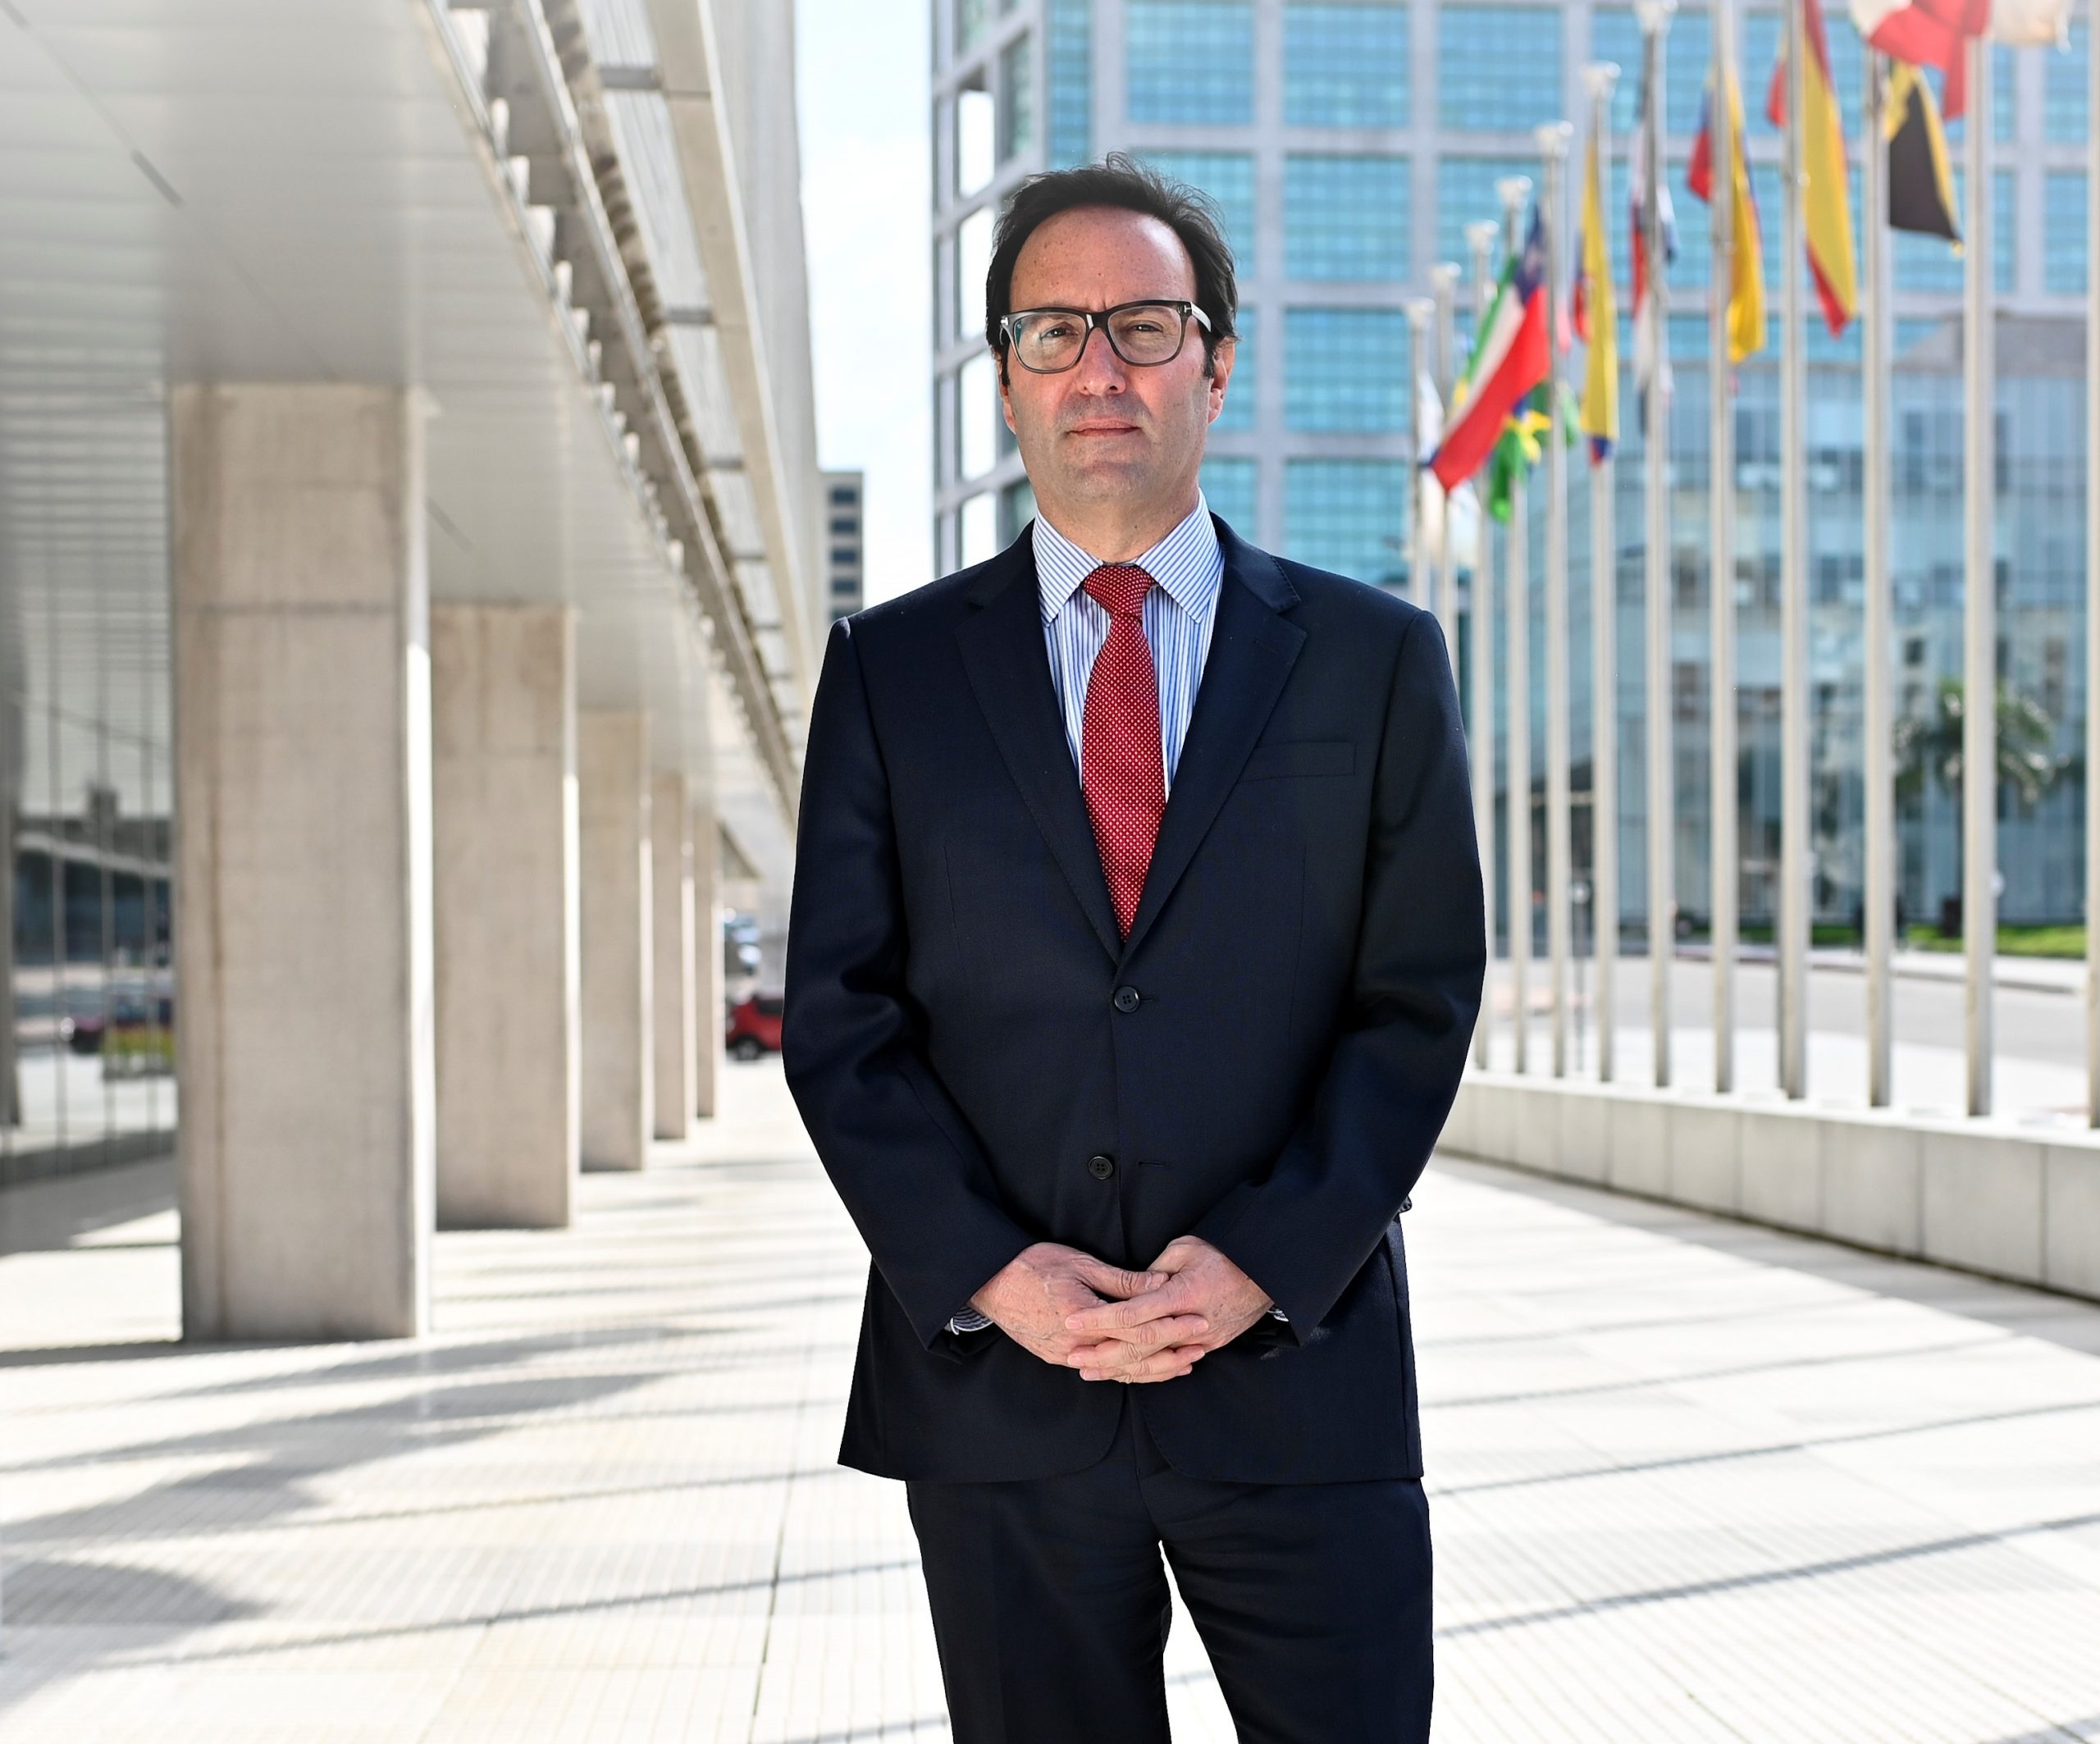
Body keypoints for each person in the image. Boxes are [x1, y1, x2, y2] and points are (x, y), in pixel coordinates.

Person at [782, 153, 1485, 1742]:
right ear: (1006, 380)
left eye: (1145, 327)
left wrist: (1263, 1262)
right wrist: (989, 1271)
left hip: (1300, 1382)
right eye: (1054, 331)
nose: (1099, 368)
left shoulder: (1372, 661)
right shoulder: (889, 673)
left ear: (1215, 365)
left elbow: (1417, 998)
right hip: (1001, 1402)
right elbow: (840, 1017)